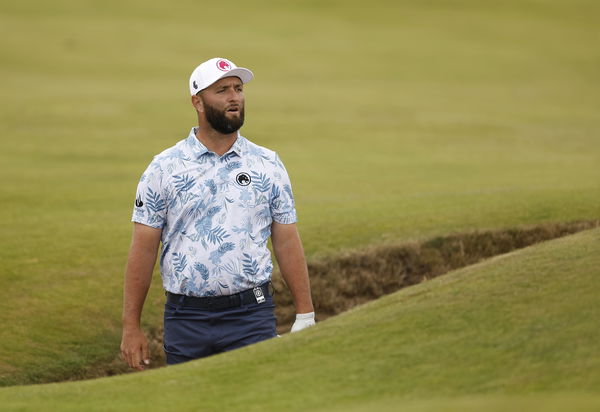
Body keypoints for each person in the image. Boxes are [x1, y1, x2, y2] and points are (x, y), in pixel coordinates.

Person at [120, 57, 315, 370]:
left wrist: (305, 314)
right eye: (222, 90)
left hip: (251, 314)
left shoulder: (267, 164)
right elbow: (143, 249)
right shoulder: (164, 168)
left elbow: (287, 240)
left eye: (238, 89)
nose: (234, 96)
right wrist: (131, 327)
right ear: (197, 101)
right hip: (186, 318)